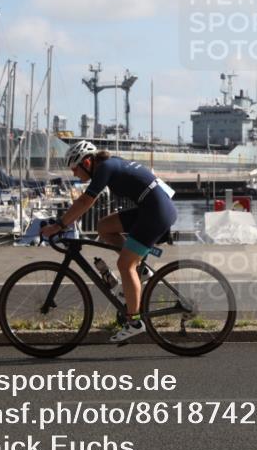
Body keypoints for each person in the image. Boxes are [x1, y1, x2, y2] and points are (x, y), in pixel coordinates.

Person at [41, 140, 177, 343]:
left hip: (155, 212)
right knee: (104, 227)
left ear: (87, 162)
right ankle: (141, 270)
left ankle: (134, 322)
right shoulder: (110, 164)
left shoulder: (104, 167)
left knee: (125, 264)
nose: (74, 174)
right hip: (151, 208)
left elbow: (86, 201)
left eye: (75, 169)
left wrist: (60, 225)